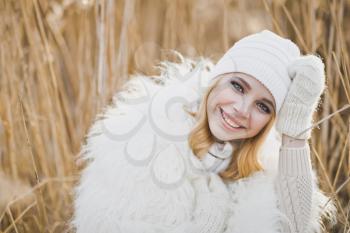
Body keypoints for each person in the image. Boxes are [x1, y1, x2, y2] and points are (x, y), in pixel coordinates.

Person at [72, 30, 337, 233]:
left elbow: (298, 227)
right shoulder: (141, 140)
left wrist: (295, 133)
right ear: (216, 79)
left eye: (263, 106)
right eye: (237, 86)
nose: (242, 110)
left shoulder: (259, 173)